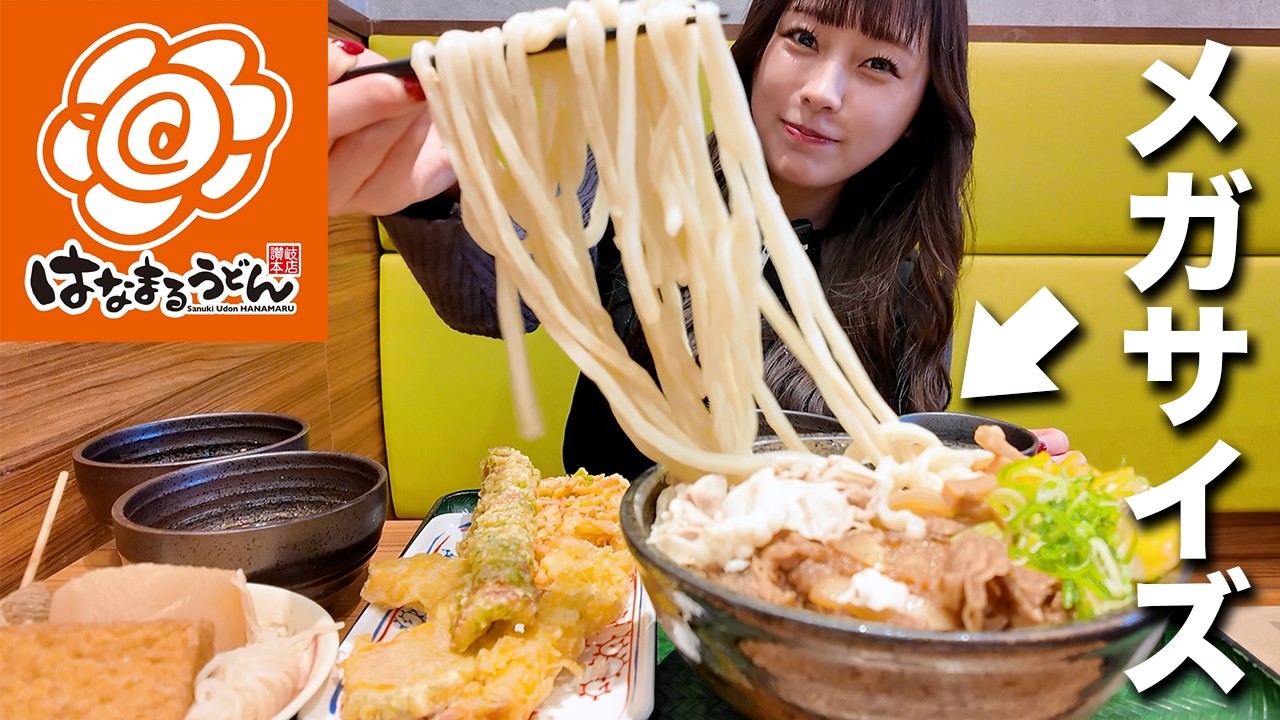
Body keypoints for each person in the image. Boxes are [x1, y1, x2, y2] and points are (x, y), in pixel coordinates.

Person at [326, 0, 1072, 479]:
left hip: (796, 580)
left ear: (918, 108)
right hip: (619, 563)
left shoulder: (910, 270)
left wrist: (996, 471)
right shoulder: (635, 175)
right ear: (756, 50)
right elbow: (494, 300)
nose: (823, 90)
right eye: (803, 38)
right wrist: (435, 187)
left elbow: (908, 454)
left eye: (879, 64)